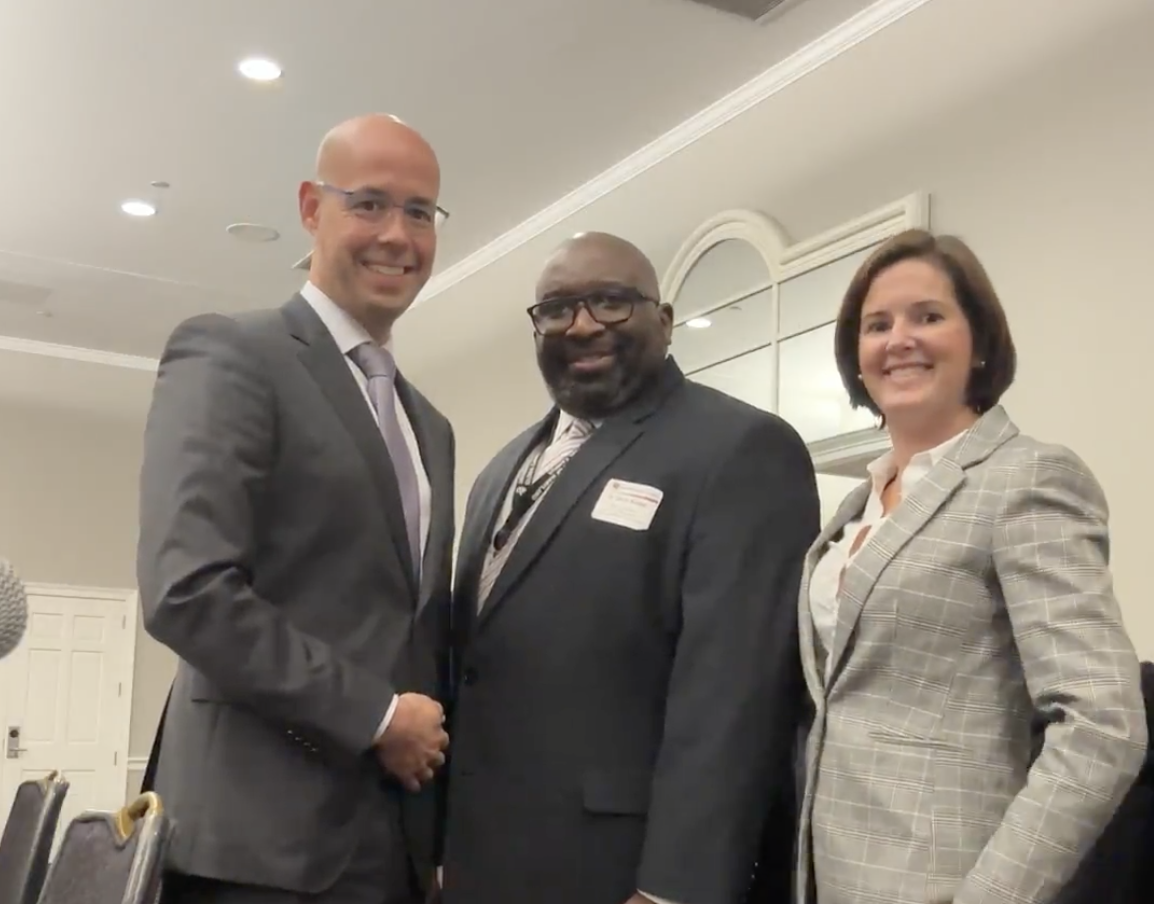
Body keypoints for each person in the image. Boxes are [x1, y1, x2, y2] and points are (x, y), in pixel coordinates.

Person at [440, 231, 820, 904]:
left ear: (665, 322)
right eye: (557, 309)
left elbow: (735, 696)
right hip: (482, 867)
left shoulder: (739, 449)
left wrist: (677, 887)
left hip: (623, 875)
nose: (582, 324)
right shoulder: (499, 471)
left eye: (611, 302)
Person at [136, 114, 455, 904]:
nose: (398, 235)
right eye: (370, 203)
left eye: (420, 212)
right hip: (253, 853)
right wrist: (380, 717)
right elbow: (189, 591)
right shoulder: (232, 353)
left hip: (391, 853)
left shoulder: (431, 428)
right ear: (313, 207)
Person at [796, 228, 1147, 904]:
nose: (900, 338)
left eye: (928, 316)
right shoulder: (855, 505)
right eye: (878, 324)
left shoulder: (1029, 478)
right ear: (856, 356)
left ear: (980, 342)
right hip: (831, 876)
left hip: (951, 882)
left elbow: (1103, 725)